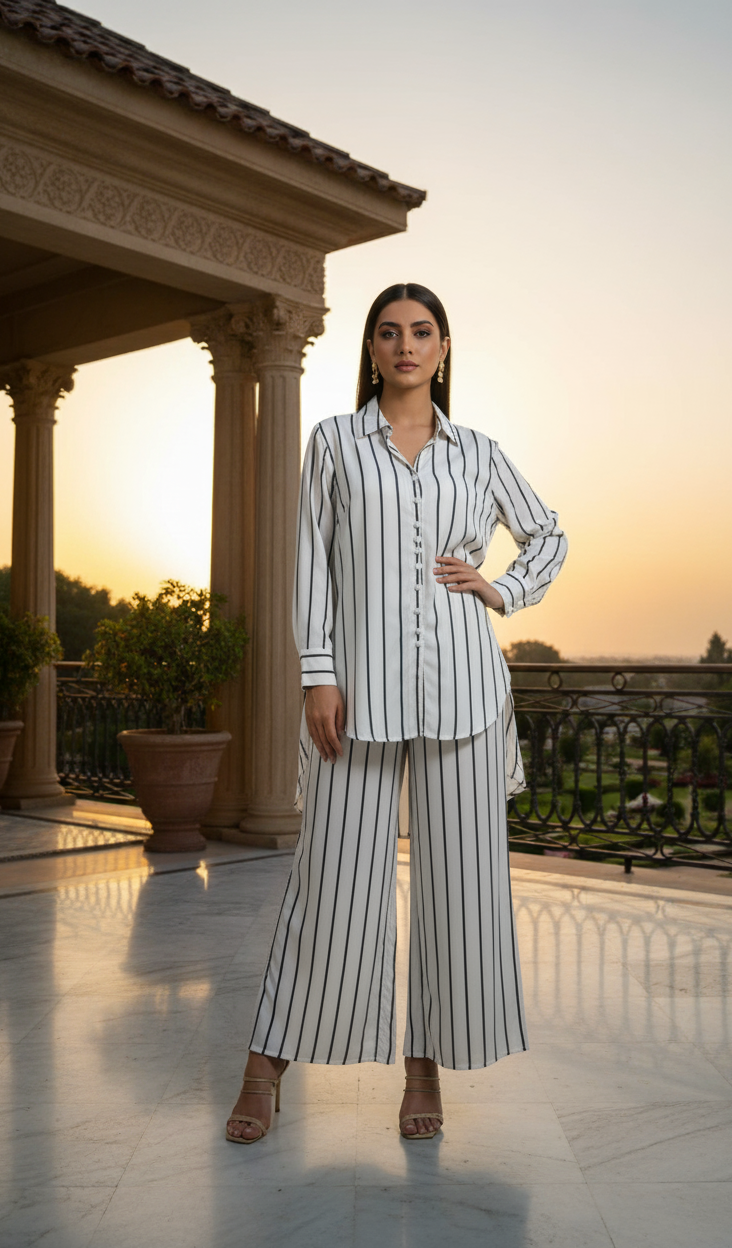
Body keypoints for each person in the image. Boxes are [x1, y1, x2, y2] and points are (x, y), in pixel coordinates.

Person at [226, 282, 567, 1144]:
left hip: (465, 699)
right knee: (331, 886)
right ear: (372, 350)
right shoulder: (335, 443)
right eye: (389, 333)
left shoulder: (479, 453)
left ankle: (425, 1072)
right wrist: (318, 674)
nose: (406, 345)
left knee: (460, 898)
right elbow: (310, 563)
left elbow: (550, 535)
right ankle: (266, 1063)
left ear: (444, 348)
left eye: (422, 332)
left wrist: (502, 589)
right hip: (358, 699)